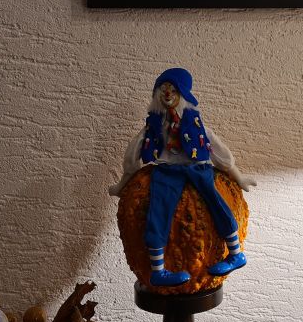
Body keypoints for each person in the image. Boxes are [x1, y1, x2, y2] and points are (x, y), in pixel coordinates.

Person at [109, 68, 254, 287]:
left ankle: (235, 254)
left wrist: (238, 176)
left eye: (173, 90)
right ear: (157, 94)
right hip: (167, 170)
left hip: (198, 168)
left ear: (182, 94)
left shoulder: (195, 123)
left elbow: (215, 147)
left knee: (216, 202)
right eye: (164, 89)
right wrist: (123, 183)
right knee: (158, 210)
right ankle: (158, 270)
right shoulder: (154, 125)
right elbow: (134, 152)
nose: (168, 94)